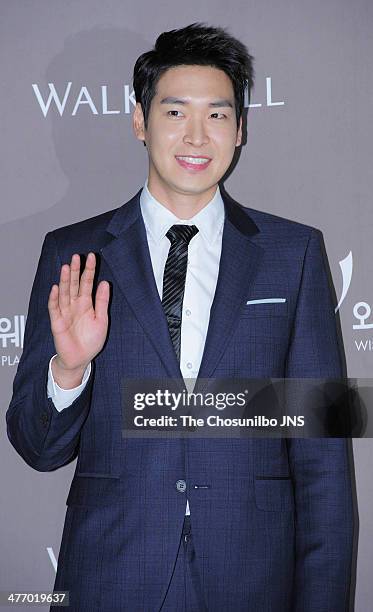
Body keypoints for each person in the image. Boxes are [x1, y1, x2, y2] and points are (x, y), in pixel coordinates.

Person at [6, 22, 354, 612]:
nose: (197, 136)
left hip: (253, 576)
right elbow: (38, 449)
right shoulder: (74, 253)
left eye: (218, 115)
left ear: (241, 129)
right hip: (111, 571)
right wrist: (69, 368)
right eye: (175, 112)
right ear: (140, 121)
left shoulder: (293, 254)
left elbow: (323, 459)